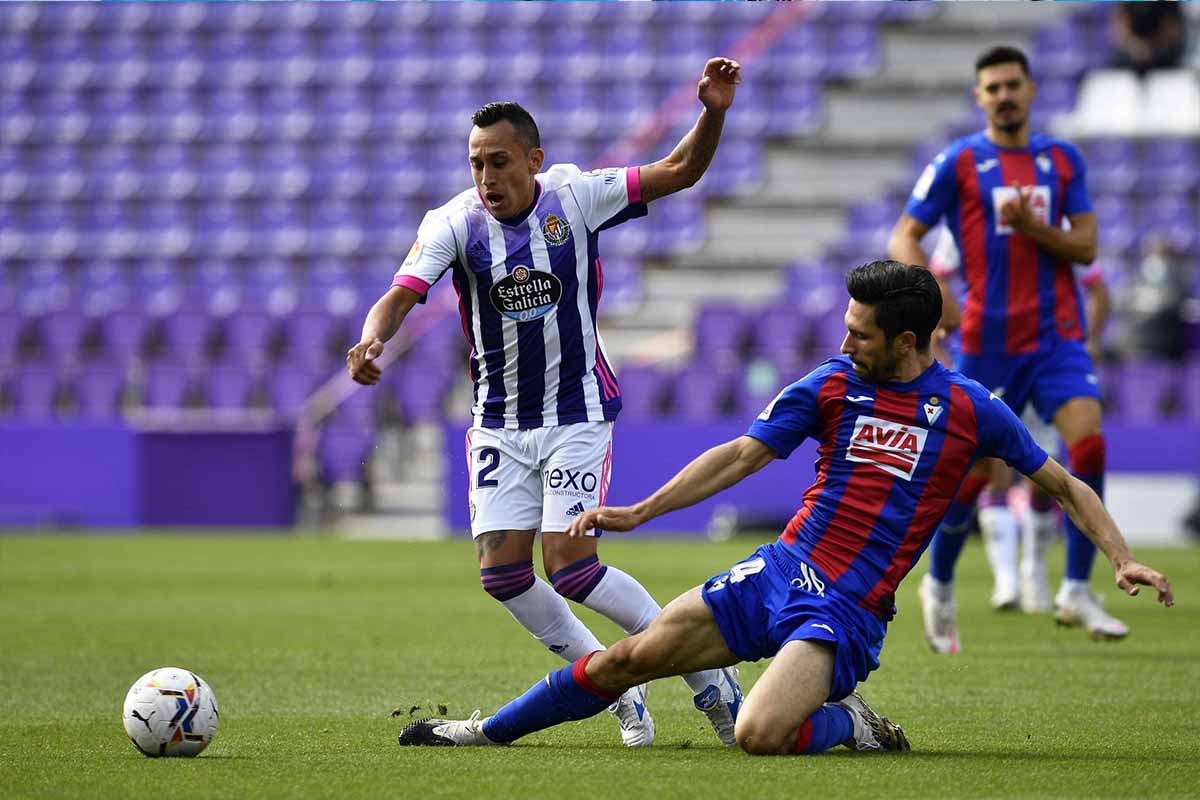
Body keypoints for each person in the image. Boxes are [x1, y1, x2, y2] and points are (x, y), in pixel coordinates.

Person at [396, 261, 1173, 754]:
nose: (846, 341)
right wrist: (640, 511)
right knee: (630, 658)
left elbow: (1065, 485)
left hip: (847, 609)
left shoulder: (969, 409)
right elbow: (741, 455)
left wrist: (1121, 556)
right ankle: (484, 732)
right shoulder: (832, 383)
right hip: (779, 571)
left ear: (907, 340)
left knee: (759, 734)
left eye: (860, 333)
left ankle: (855, 722)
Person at [347, 58, 745, 748]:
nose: (486, 177)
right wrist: (371, 338)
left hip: (575, 412)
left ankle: (710, 681)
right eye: (476, 163)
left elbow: (681, 170)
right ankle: (618, 688)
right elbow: (400, 295)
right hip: (498, 422)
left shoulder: (575, 196)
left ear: (533, 159)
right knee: (503, 575)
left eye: (499, 161)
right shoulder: (453, 223)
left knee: (572, 568)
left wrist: (712, 111)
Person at [888, 45, 1124, 653]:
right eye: (992, 88)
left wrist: (1032, 227)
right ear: (979, 97)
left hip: (1057, 337)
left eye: (1012, 85)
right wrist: (932, 298)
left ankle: (1076, 587)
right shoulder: (959, 161)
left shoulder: (1062, 159)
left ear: (1030, 89)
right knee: (971, 474)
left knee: (1089, 443)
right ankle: (939, 585)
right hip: (988, 345)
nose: (1004, 96)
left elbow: (1087, 247)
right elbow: (904, 236)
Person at [927, 226, 1112, 614]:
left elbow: (1097, 285)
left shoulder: (1056, 225)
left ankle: (1034, 573)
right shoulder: (970, 218)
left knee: (1043, 473)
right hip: (992, 355)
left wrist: (1088, 342)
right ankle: (1006, 580)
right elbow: (938, 278)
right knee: (988, 466)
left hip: (1045, 358)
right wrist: (944, 340)